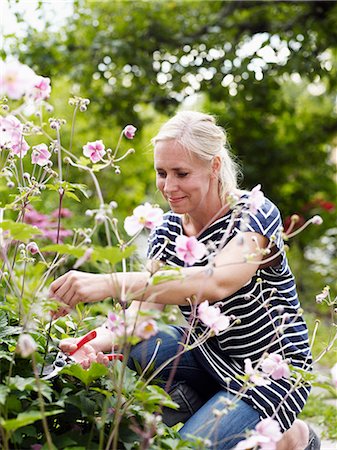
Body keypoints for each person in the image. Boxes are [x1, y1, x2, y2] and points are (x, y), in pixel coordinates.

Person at [50, 111, 320, 450]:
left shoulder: (253, 213)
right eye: (162, 173)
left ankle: (294, 438)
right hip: (208, 355)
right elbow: (140, 316)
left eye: (182, 173)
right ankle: (226, 412)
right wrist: (90, 343)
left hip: (271, 374)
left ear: (215, 166)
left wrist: (110, 282)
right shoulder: (168, 229)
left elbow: (217, 281)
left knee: (187, 447)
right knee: (143, 346)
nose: (168, 186)